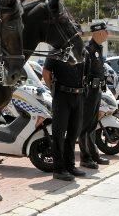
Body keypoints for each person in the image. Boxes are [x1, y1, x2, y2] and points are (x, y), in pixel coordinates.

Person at [43, 52, 87, 181]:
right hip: (62, 96)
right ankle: (58, 169)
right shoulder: (55, 52)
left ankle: (70, 166)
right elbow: (46, 73)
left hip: (78, 96)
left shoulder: (81, 51)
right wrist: (53, 90)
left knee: (74, 132)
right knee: (59, 133)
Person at [79, 22, 110, 169]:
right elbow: (83, 72)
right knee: (85, 126)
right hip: (88, 92)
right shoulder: (88, 49)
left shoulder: (98, 48)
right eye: (105, 31)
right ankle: (85, 158)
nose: (107, 33)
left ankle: (93, 154)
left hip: (96, 91)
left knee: (92, 125)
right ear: (98, 32)